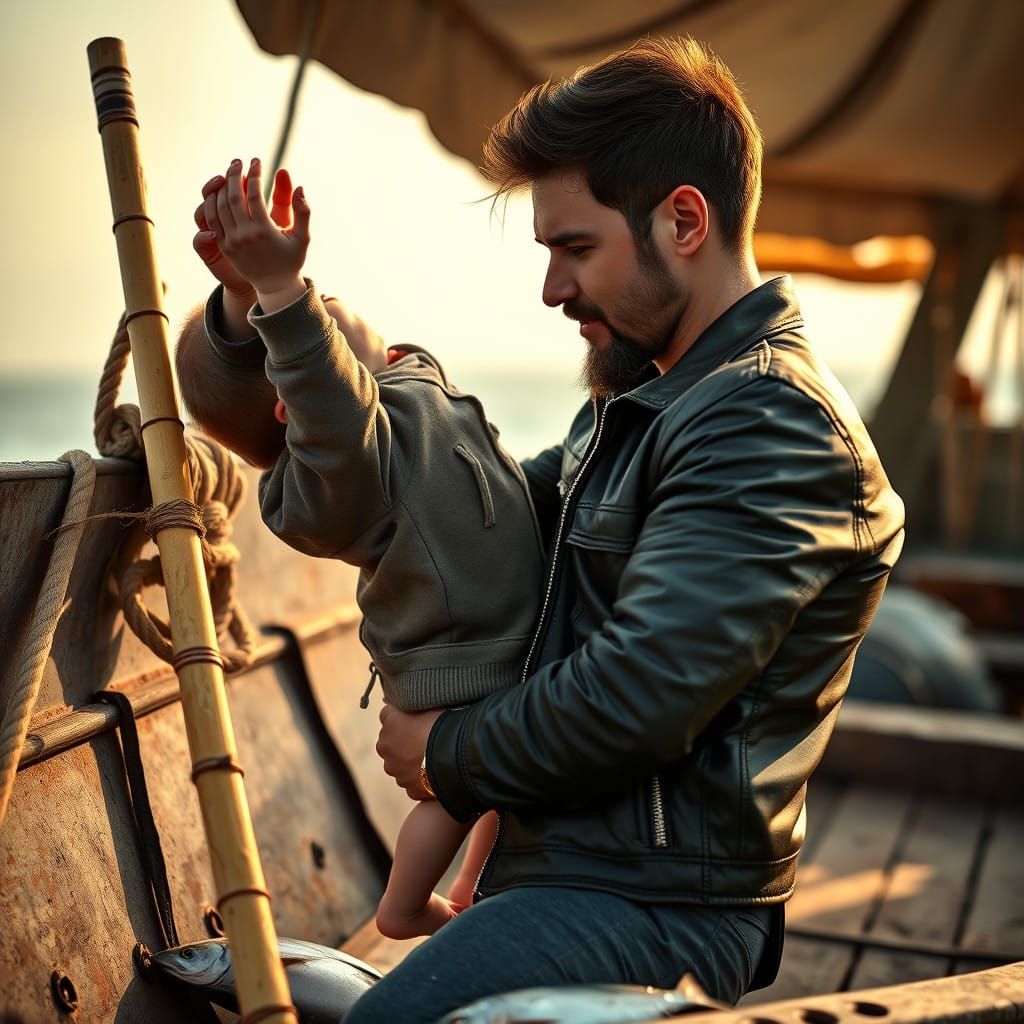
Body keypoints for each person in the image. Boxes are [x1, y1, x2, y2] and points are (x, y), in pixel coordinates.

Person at [359, 36, 906, 1022]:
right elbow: (481, 524)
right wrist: (323, 378)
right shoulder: (644, 406)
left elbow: (643, 689)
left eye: (575, 248)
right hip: (577, 870)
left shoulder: (764, 422)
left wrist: (448, 753)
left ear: (683, 221)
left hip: (661, 907)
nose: (552, 289)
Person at [178, 163, 546, 939]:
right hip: (455, 655)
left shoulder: (401, 399)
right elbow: (328, 396)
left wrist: (245, 297)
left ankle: (475, 887)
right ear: (301, 405)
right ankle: (405, 903)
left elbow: (346, 375)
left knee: (500, 793)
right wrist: (281, 297)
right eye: (321, 314)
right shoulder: (352, 458)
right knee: (449, 797)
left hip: (506, 636)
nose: (326, 306)